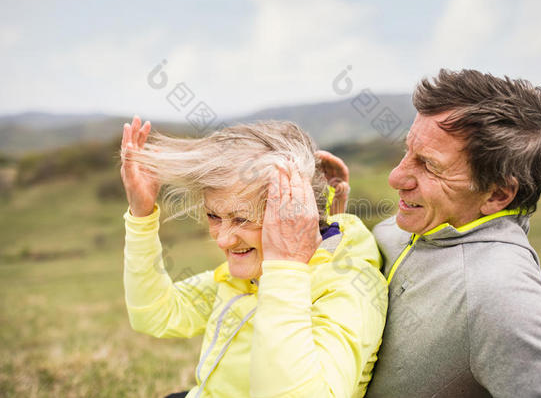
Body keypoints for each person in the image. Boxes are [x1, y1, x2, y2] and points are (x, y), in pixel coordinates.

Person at [321, 69, 541, 397]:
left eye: (430, 165)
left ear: (497, 194)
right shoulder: (418, 225)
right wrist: (334, 222)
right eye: (408, 151)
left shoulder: (501, 295)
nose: (396, 176)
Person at [119, 118, 388, 398]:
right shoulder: (252, 275)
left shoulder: (348, 288)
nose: (222, 239)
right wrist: (142, 215)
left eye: (242, 220)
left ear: (297, 213)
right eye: (213, 216)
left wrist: (286, 268)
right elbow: (155, 315)